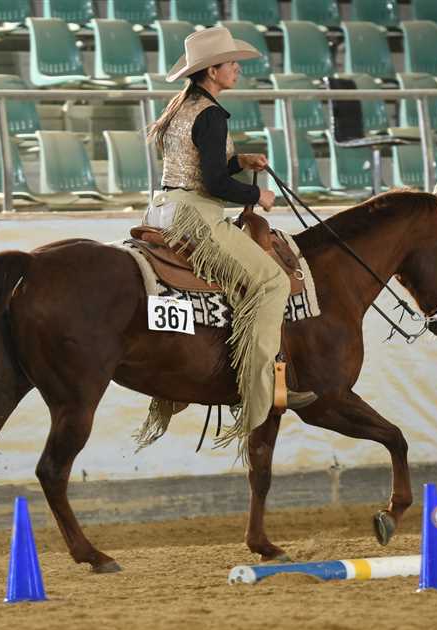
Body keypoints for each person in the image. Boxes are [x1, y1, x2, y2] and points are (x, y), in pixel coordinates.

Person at [145, 26, 317, 449]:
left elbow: (196, 164)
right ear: (212, 71)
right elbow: (214, 184)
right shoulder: (211, 114)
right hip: (194, 217)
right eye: (231, 63)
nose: (238, 68)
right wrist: (257, 195)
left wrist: (238, 160)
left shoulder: (182, 106)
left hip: (162, 210)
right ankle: (262, 395)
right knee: (272, 283)